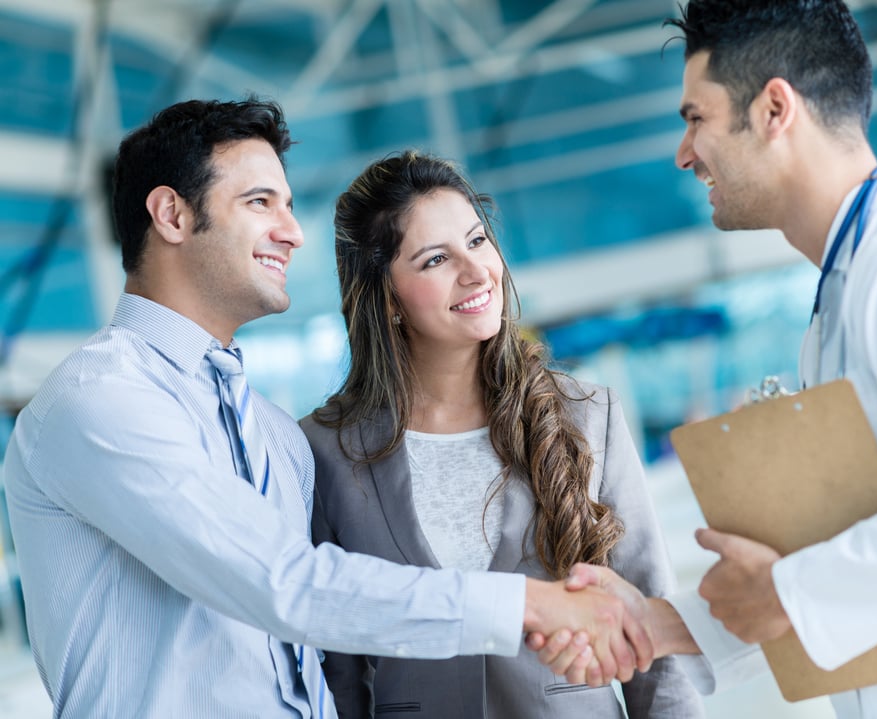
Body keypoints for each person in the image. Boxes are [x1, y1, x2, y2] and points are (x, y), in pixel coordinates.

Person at [1, 97, 663, 717]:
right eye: (260, 201)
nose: (291, 231)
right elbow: (287, 586)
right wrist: (529, 604)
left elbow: (316, 665)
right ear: (172, 215)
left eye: (289, 205)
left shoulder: (273, 434)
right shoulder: (99, 402)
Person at [538, 0, 877, 716]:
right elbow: (832, 557)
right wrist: (661, 624)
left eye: (696, 118)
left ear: (775, 108)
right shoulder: (846, 291)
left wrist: (786, 590)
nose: (683, 153)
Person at [299, 150, 704, 718]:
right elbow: (335, 671)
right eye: (436, 258)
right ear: (385, 296)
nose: (475, 271)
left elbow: (654, 638)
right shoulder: (325, 451)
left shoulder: (589, 416)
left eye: (478, 240)